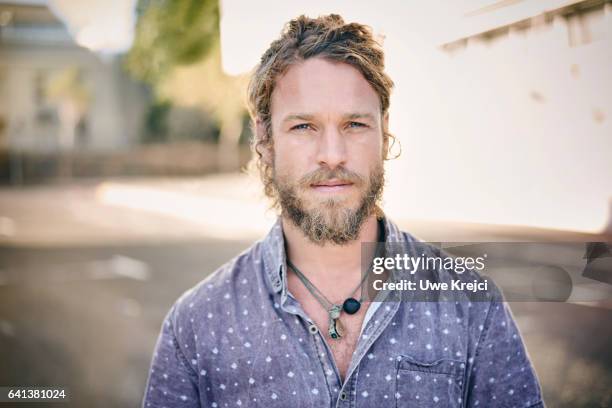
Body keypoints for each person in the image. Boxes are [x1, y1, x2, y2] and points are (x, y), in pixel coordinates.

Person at [142, 14, 544, 407]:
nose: (332, 155)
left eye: (354, 124)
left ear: (384, 133)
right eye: (303, 127)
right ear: (265, 139)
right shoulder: (196, 326)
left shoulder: (474, 310)